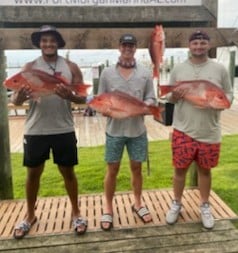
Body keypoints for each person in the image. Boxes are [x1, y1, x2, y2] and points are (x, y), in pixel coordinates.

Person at [11, 25, 87, 239]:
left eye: (52, 40)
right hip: (35, 129)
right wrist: (20, 98)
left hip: (63, 127)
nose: (48, 44)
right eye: (44, 40)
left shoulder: (70, 67)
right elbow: (14, 98)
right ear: (39, 43)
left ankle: (76, 213)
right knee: (33, 174)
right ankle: (30, 215)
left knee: (68, 172)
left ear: (58, 43)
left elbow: (83, 98)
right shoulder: (29, 67)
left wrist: (69, 96)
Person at [165, 30, 233, 229]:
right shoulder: (178, 69)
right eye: (195, 43)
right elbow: (168, 96)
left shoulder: (220, 69)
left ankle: (205, 205)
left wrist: (221, 102)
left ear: (209, 45)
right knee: (179, 171)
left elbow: (228, 94)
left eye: (203, 43)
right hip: (182, 130)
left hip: (209, 131)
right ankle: (176, 203)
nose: (199, 46)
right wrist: (174, 96)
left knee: (205, 171)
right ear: (189, 46)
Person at [98, 34, 155, 231]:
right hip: (114, 131)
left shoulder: (146, 72)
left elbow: (151, 98)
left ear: (136, 48)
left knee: (136, 168)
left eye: (131, 45)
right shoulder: (106, 73)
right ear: (119, 47)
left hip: (138, 130)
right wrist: (105, 110)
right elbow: (101, 100)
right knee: (112, 170)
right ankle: (108, 207)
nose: (128, 48)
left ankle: (138, 203)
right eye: (124, 45)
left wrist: (144, 107)